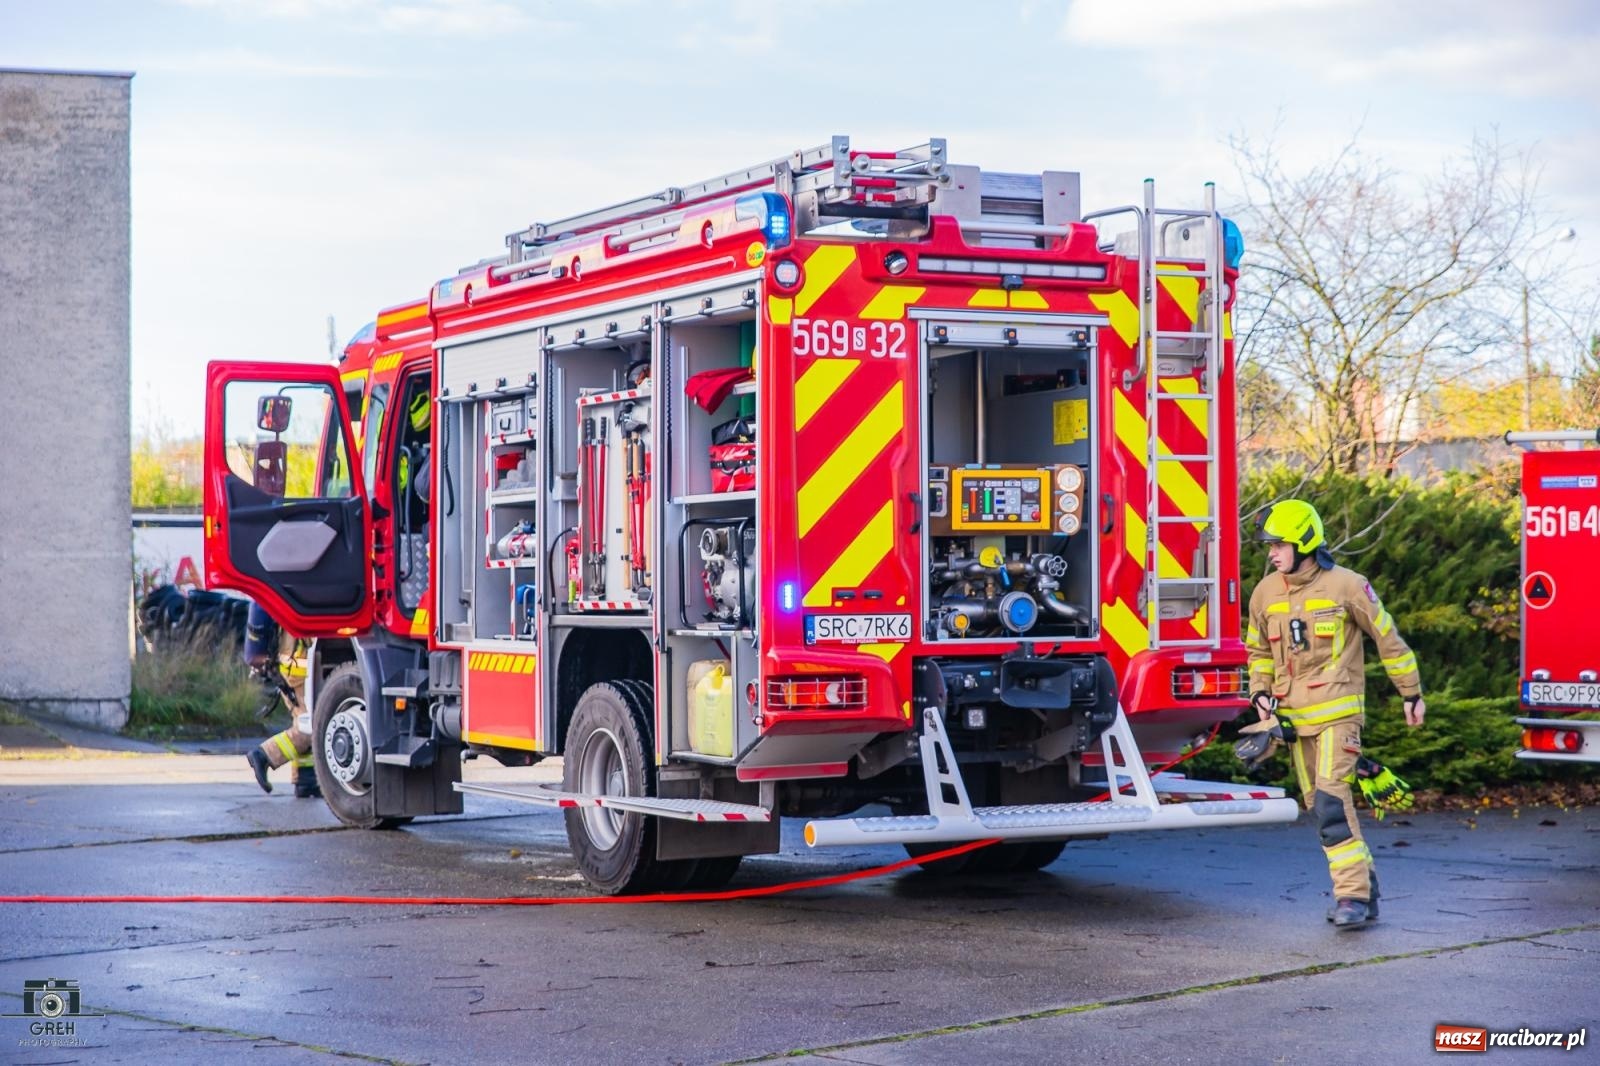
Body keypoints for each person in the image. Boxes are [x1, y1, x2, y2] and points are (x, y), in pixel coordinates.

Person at [1243, 499, 1425, 929]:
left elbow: (1389, 640)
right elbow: (1258, 651)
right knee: (1320, 806)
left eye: (1279, 545)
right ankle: (1367, 887)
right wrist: (1260, 695)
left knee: (1329, 802)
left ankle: (1352, 897)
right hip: (1291, 720)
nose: (1271, 553)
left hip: (1338, 714)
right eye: (1269, 545)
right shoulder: (1265, 592)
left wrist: (1411, 693)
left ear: (1305, 542)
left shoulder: (1347, 586)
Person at [242, 601, 320, 799]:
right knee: (310, 725)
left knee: (301, 718)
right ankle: (264, 755)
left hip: (292, 665)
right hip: (300, 669)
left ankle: (305, 780)